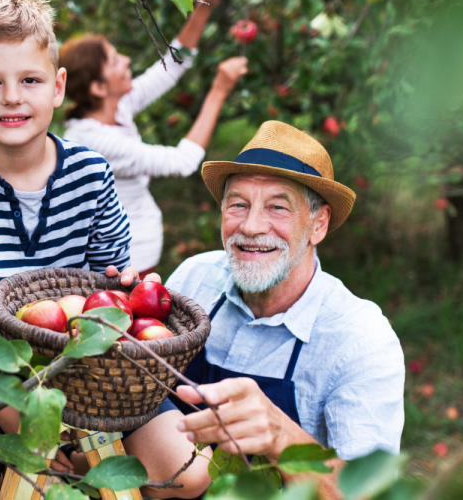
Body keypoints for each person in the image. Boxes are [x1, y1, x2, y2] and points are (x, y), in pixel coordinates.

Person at [0, 0, 209, 500]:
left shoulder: (91, 175)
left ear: (58, 87)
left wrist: (129, 299)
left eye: (30, 80)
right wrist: (28, 422)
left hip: (97, 372)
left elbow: (113, 294)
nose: (12, 97)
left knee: (187, 474)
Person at [165, 121, 405, 499]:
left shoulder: (361, 340)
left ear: (318, 224)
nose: (251, 225)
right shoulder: (193, 279)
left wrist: (282, 437)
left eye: (277, 207)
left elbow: (369, 493)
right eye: (238, 204)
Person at [59, 0, 248, 274]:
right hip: (124, 264)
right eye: (114, 60)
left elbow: (173, 65)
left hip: (136, 251)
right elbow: (183, 161)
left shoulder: (114, 108)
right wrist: (218, 90)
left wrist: (205, 0)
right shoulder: (94, 143)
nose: (127, 60)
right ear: (97, 87)